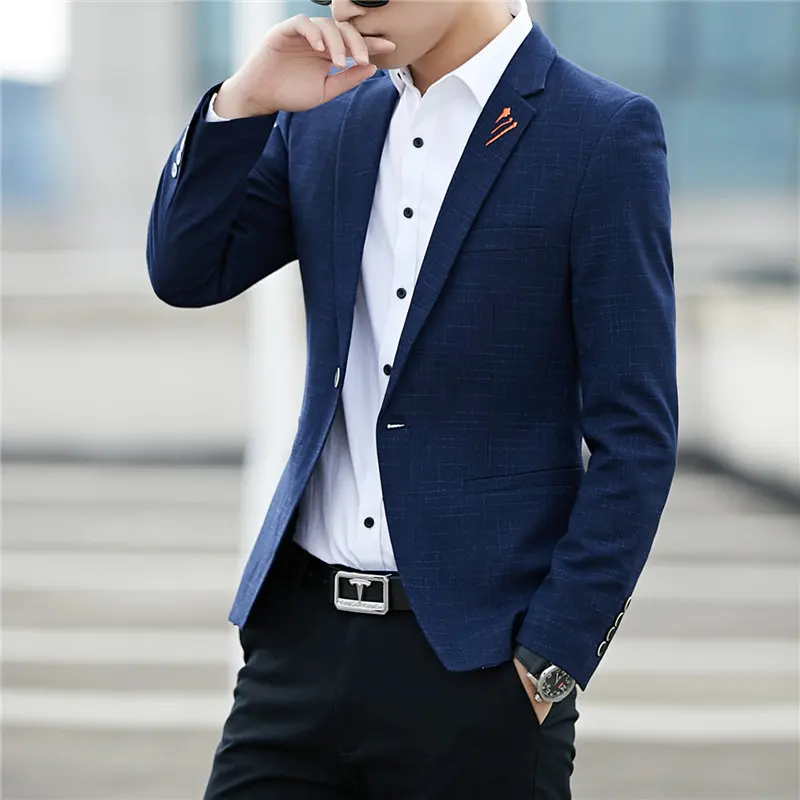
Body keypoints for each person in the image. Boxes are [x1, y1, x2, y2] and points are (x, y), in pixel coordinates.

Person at [146, 0, 678, 797]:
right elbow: (187, 271)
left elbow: (636, 436)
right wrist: (243, 102)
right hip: (297, 648)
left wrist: (550, 662)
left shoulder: (600, 132)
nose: (347, 5)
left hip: (479, 675)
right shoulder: (326, 116)